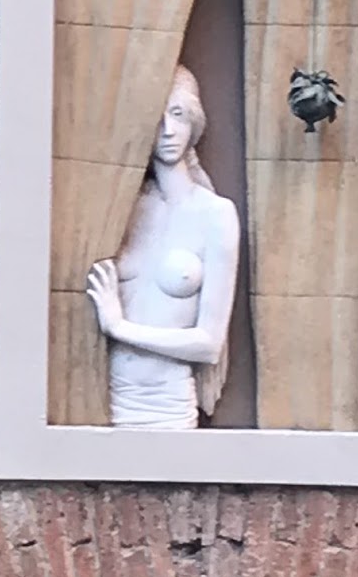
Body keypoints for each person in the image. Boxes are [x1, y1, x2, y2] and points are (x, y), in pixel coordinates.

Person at [85, 65, 241, 430]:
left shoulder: (215, 214)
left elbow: (209, 343)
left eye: (178, 114)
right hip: (104, 401)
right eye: (156, 116)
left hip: (168, 408)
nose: (168, 130)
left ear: (194, 123)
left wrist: (119, 327)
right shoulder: (119, 210)